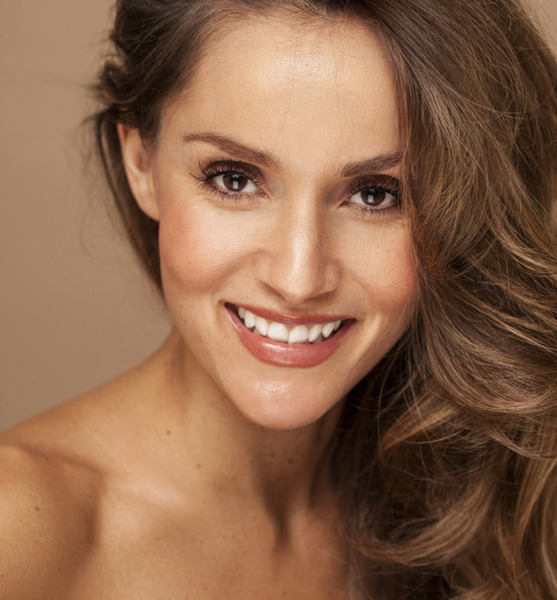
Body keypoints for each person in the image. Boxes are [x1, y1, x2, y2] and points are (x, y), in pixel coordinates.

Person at [1, 0, 556, 598]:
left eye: (375, 195)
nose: (298, 279)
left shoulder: (499, 502)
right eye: (234, 179)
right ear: (141, 161)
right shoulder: (21, 532)